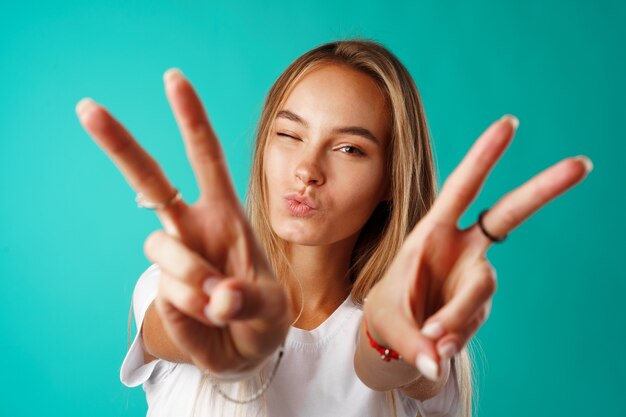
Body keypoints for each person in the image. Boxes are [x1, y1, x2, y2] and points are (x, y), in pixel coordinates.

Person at [75, 39, 592, 417]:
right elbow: (175, 327)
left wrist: (392, 336)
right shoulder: (177, 284)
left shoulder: (427, 331)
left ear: (392, 179)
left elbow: (386, 364)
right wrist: (224, 326)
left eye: (349, 148)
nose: (307, 169)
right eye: (288, 134)